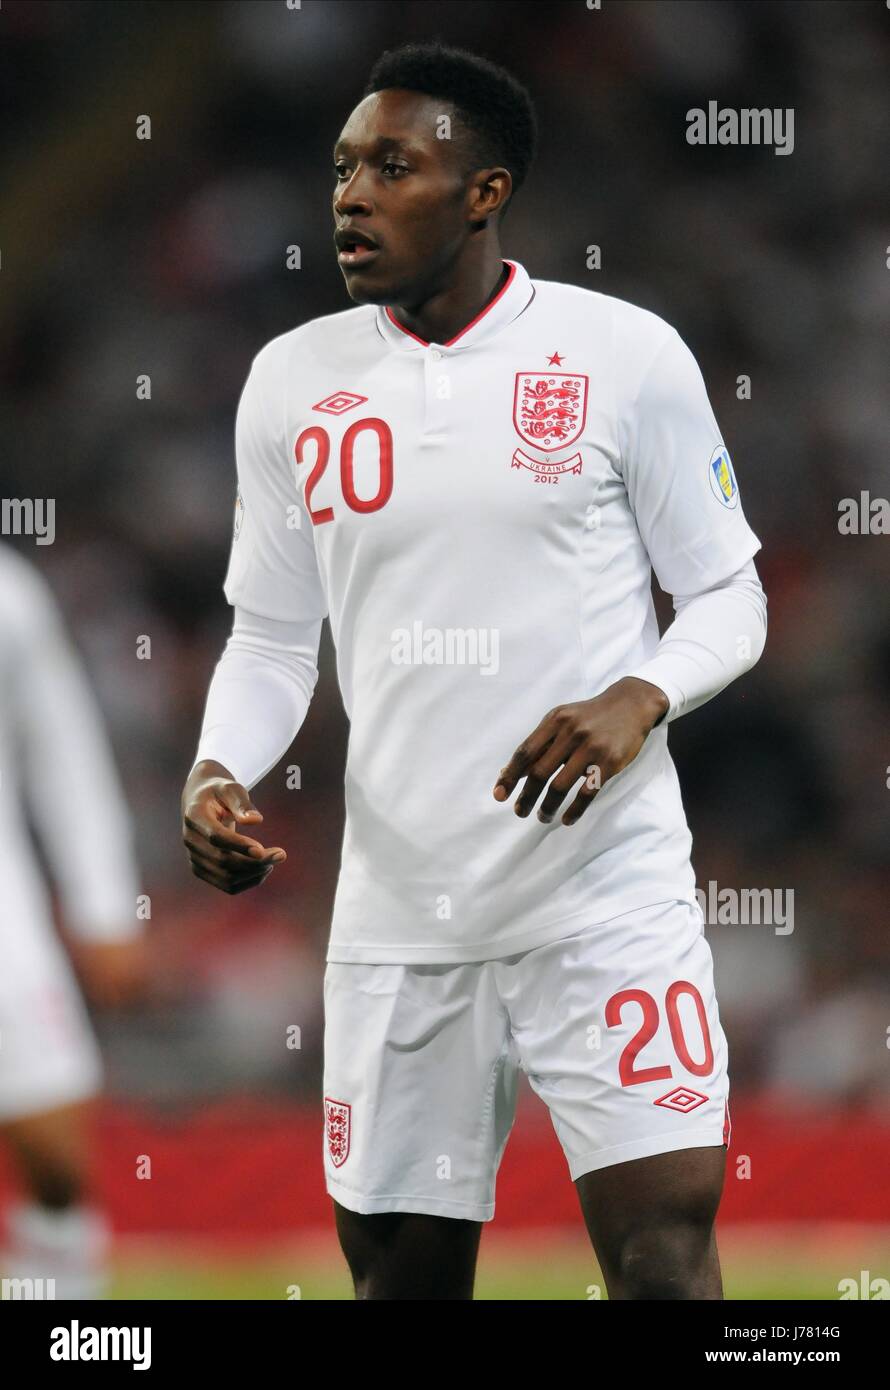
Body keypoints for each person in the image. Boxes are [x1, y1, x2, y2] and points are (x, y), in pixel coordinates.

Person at [182, 41, 767, 1300]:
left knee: (664, 1257)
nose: (349, 194)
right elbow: (274, 638)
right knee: (400, 1281)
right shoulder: (291, 383)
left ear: (484, 188)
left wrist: (639, 695)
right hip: (399, 915)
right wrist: (218, 765)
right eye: (342, 167)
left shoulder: (624, 356)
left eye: (393, 165)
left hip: (600, 896)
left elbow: (729, 594)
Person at [0, 545, 144, 1299]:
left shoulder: (9, 593)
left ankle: (53, 1301)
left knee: (56, 1153)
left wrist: (104, 903)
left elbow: (63, 749)